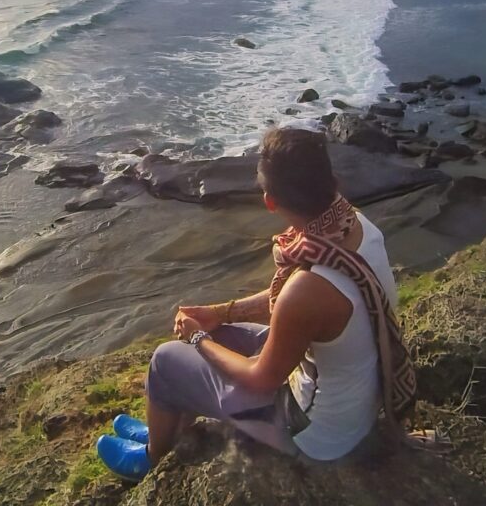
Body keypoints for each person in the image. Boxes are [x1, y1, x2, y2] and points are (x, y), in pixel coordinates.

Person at [95, 126, 416, 481]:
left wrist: (199, 339)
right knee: (227, 334)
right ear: (332, 180)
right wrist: (220, 314)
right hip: (351, 397)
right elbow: (294, 308)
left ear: (269, 200)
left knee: (166, 360)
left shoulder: (310, 286)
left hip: (317, 432)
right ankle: (167, 422)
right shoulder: (354, 228)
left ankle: (151, 459)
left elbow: (262, 377)